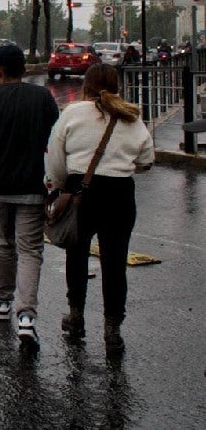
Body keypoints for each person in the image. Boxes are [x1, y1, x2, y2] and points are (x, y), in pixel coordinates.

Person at [46, 64, 153, 353]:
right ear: (117, 85)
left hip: (81, 192)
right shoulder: (131, 116)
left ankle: (76, 314)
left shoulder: (71, 113)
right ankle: (112, 329)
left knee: (76, 254)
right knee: (115, 263)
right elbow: (146, 160)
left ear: (87, 85)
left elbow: (56, 158)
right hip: (119, 194)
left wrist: (59, 187)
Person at [0, 44, 60, 349]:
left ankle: (3, 301)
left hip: (0, 187)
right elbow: (55, 142)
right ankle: (27, 317)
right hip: (33, 186)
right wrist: (55, 185)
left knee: (4, 243)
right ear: (24, 69)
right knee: (31, 250)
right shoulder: (42, 97)